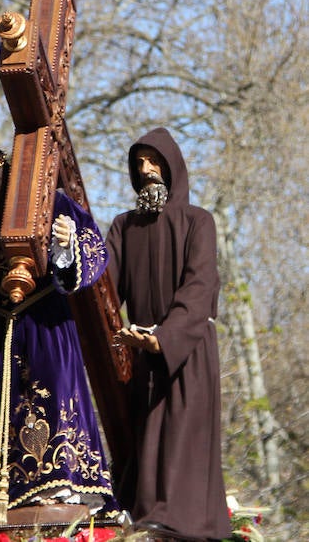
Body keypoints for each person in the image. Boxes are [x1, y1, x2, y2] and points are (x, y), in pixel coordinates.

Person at [0, 144, 119, 531]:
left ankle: (58, 490)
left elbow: (95, 253)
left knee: (51, 393)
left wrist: (66, 247)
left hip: (44, 327)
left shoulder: (48, 204)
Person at [106, 127, 232, 540]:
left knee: (182, 439)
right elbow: (103, 286)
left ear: (172, 166)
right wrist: (73, 250)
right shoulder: (124, 228)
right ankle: (148, 520)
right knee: (148, 442)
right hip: (143, 353)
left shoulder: (200, 221)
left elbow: (199, 288)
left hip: (187, 350)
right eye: (139, 163)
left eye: (154, 161)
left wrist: (165, 337)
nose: (146, 171)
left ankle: (189, 524)